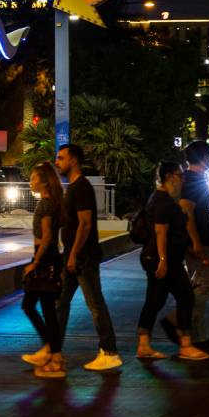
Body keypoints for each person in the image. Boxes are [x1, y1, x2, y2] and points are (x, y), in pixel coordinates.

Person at [55, 144, 123, 371]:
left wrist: (73, 254)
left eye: (61, 158)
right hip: (73, 258)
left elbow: (85, 224)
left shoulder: (81, 187)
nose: (57, 162)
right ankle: (52, 350)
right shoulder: (73, 187)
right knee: (60, 303)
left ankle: (110, 352)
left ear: (73, 160)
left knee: (95, 304)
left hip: (83, 258)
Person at [136, 161, 209, 361]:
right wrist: (163, 260)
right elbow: (161, 231)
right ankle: (185, 345)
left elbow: (174, 233)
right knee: (186, 296)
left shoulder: (164, 198)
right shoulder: (162, 200)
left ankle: (143, 344)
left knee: (154, 300)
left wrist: (191, 252)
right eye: (180, 175)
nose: (182, 179)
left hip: (160, 258)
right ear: (169, 176)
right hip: (162, 259)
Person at [162, 140, 209, 354]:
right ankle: (175, 319)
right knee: (208, 286)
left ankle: (199, 338)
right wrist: (196, 243)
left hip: (200, 241)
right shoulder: (194, 181)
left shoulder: (190, 179)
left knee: (199, 286)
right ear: (204, 158)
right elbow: (187, 212)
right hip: (198, 243)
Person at [21, 162, 66, 378]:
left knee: (34, 307)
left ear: (45, 181)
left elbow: (47, 238)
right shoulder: (51, 203)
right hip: (47, 258)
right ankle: (51, 352)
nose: (31, 182)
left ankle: (53, 354)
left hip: (45, 259)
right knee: (40, 308)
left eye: (33, 178)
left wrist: (35, 263)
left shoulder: (46, 205)